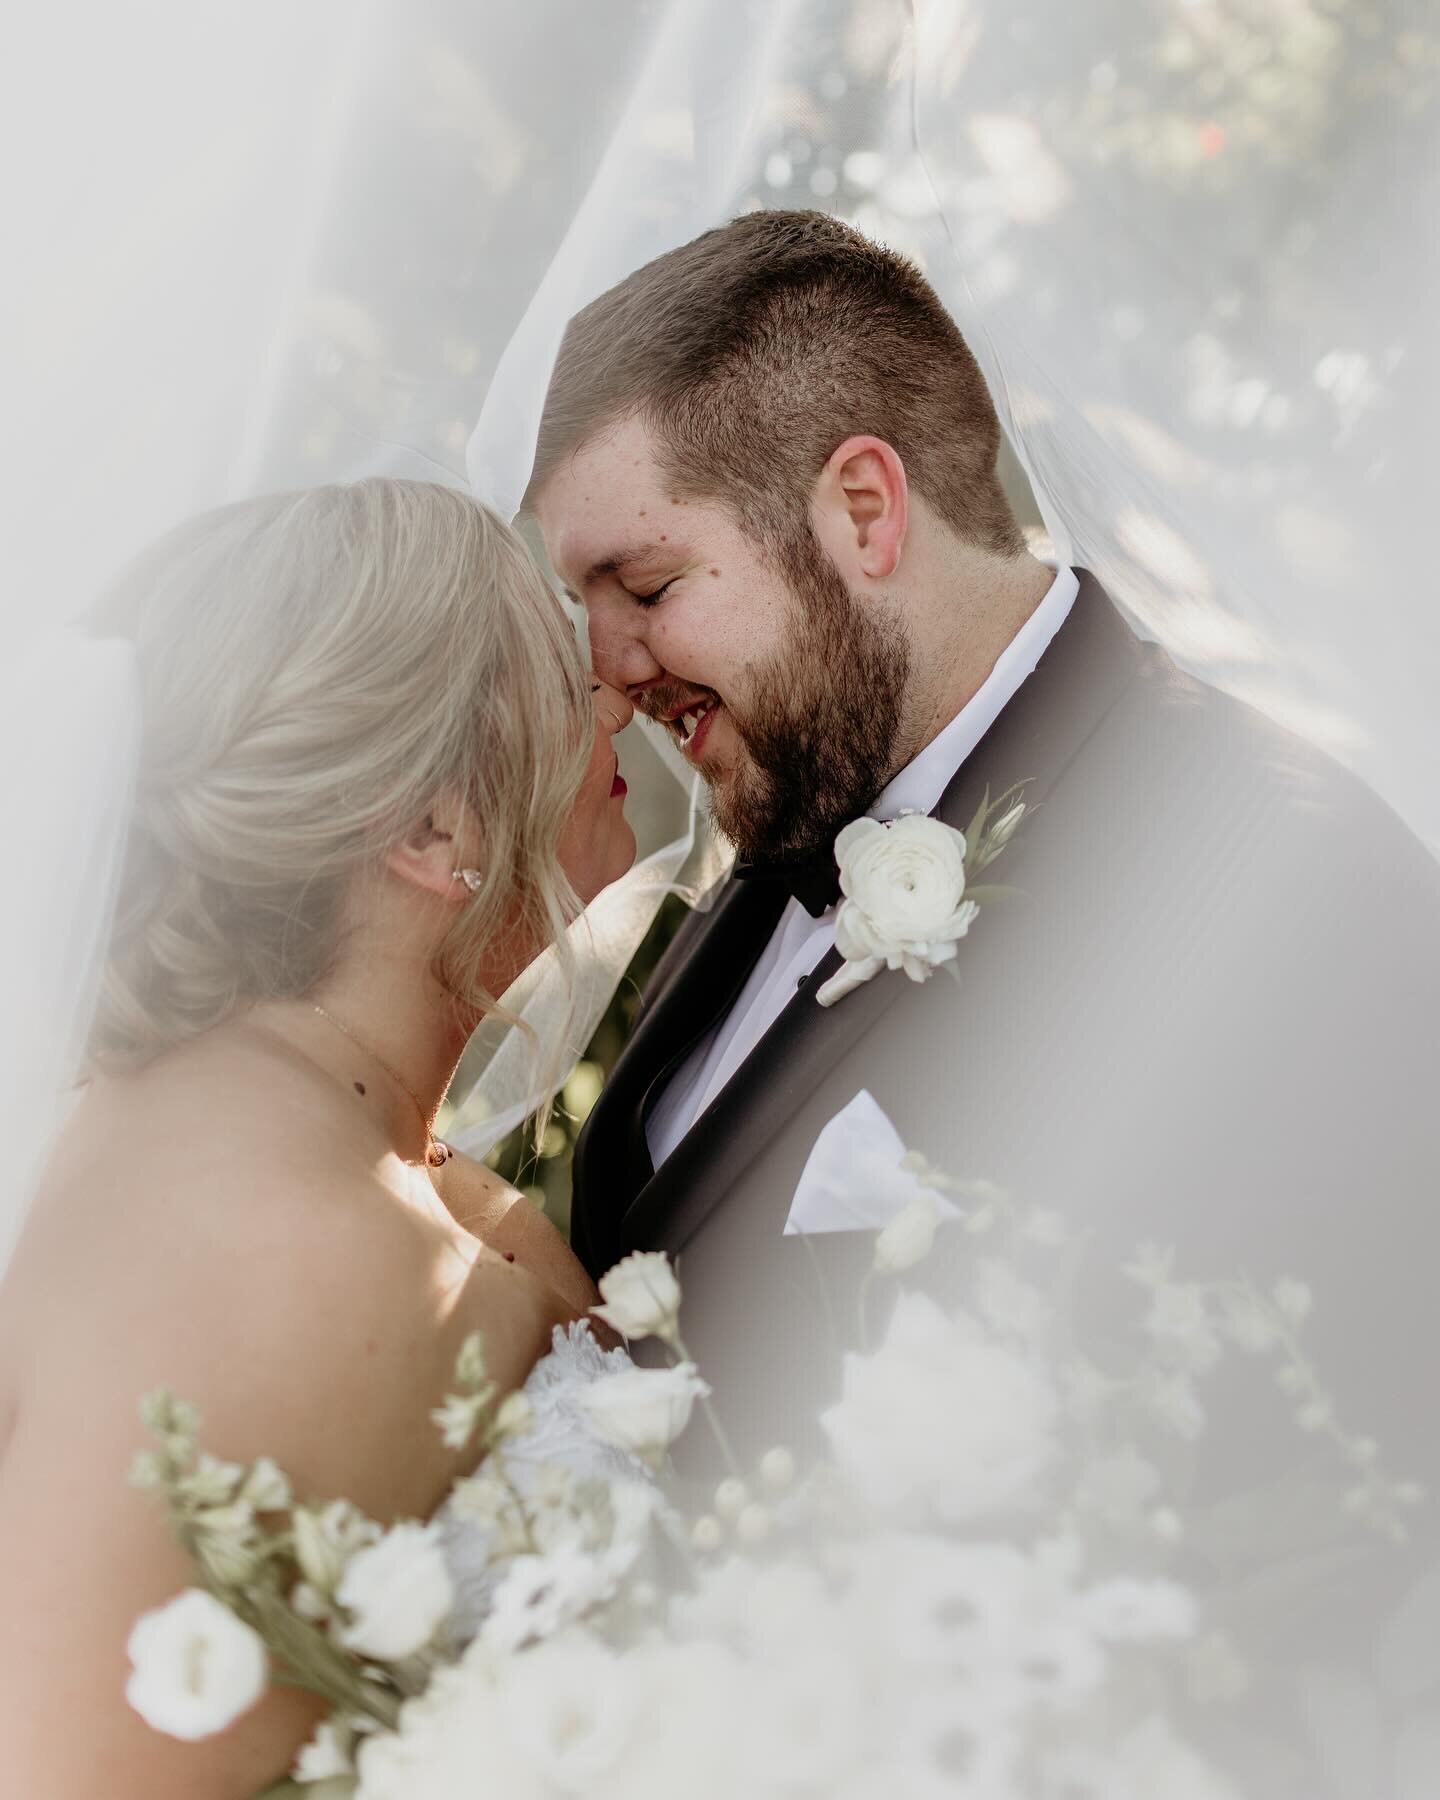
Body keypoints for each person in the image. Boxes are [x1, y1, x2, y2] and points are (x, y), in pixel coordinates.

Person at [532, 209, 1440, 1473]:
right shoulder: (786, 827)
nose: (613, 676)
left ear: (863, 508)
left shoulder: (1284, 891)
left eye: (647, 590)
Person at [0, 479, 636, 1794]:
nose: (617, 705)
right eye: (561, 684)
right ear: (426, 830)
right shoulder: (286, 1258)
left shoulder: (322, 1138)